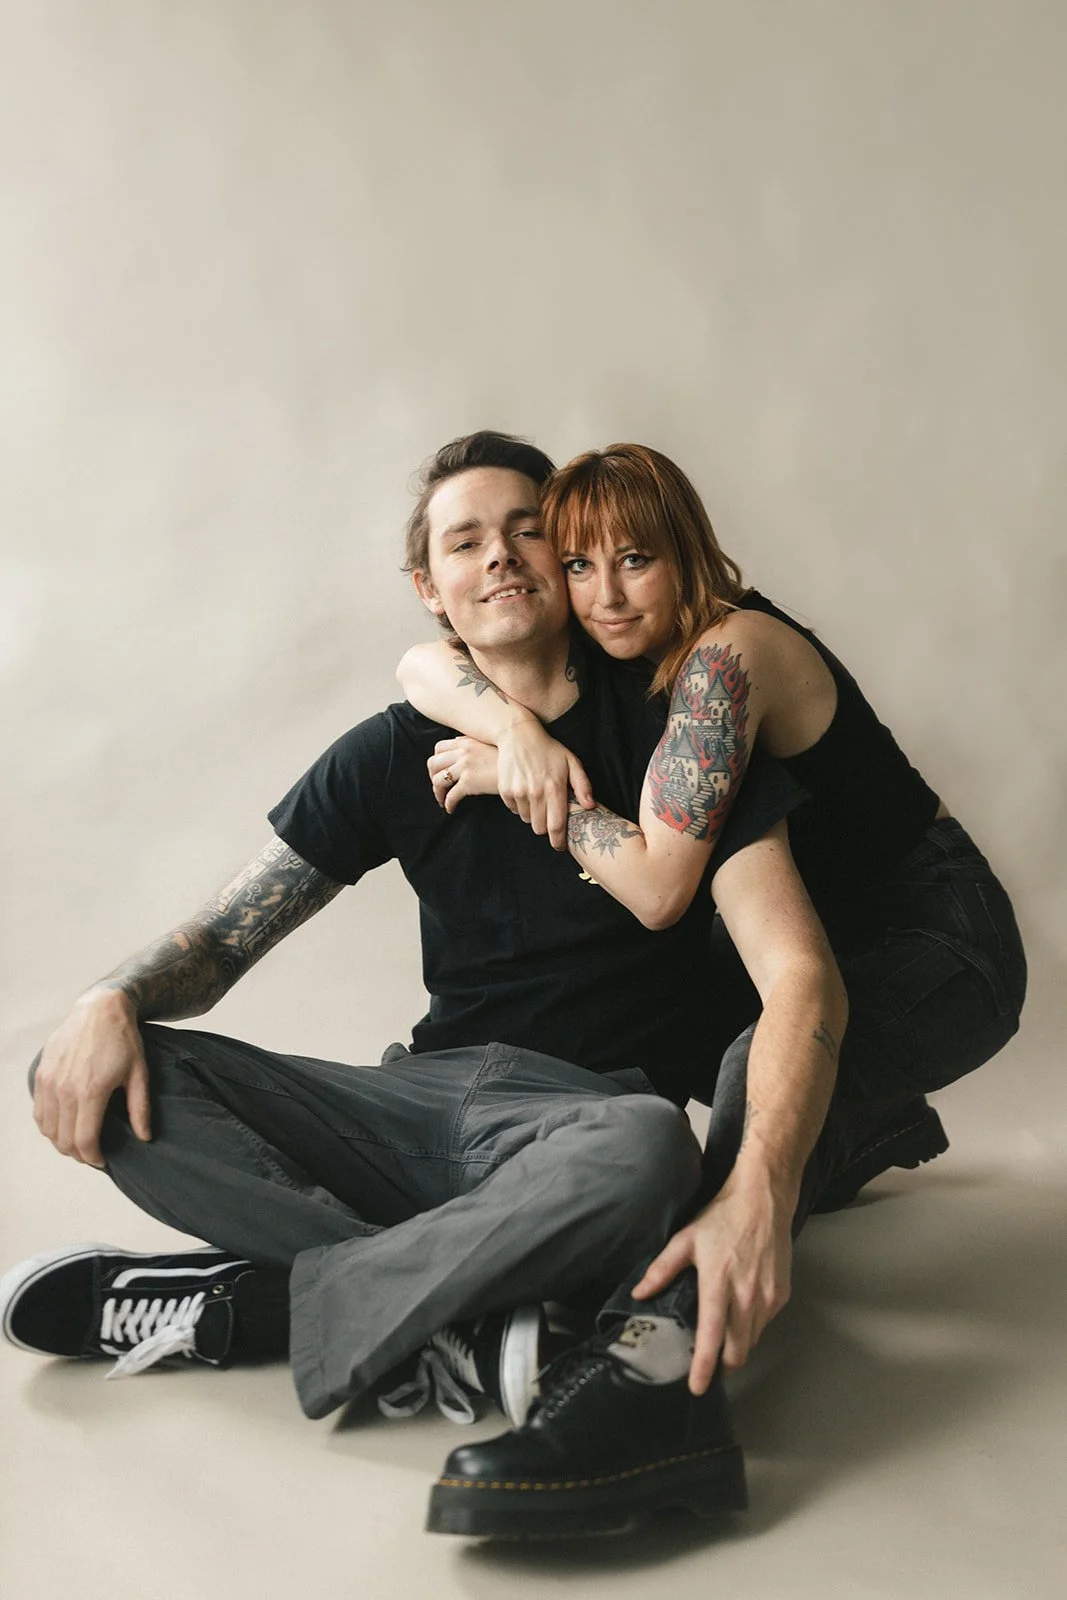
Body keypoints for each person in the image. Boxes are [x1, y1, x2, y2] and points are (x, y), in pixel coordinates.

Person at [3, 432, 848, 1539]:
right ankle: (450, 1305)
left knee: (648, 1142)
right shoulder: (387, 753)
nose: (498, 557)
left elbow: (788, 969)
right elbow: (219, 939)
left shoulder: (681, 721)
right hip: (414, 1109)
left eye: (526, 531)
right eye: (464, 540)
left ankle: (259, 1305)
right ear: (429, 587)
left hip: (578, 1131)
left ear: (570, 557)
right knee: (108, 1072)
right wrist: (107, 997)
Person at [397, 440, 1027, 1535]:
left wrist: (511, 770)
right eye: (580, 566)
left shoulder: (721, 660)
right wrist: (509, 720)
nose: (602, 596)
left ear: (687, 555)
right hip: (799, 943)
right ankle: (854, 1135)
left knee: (752, 1099)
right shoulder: (623, 661)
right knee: (692, 1061)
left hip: (938, 938)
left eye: (633, 561)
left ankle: (652, 1399)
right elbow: (419, 663)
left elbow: (652, 885)